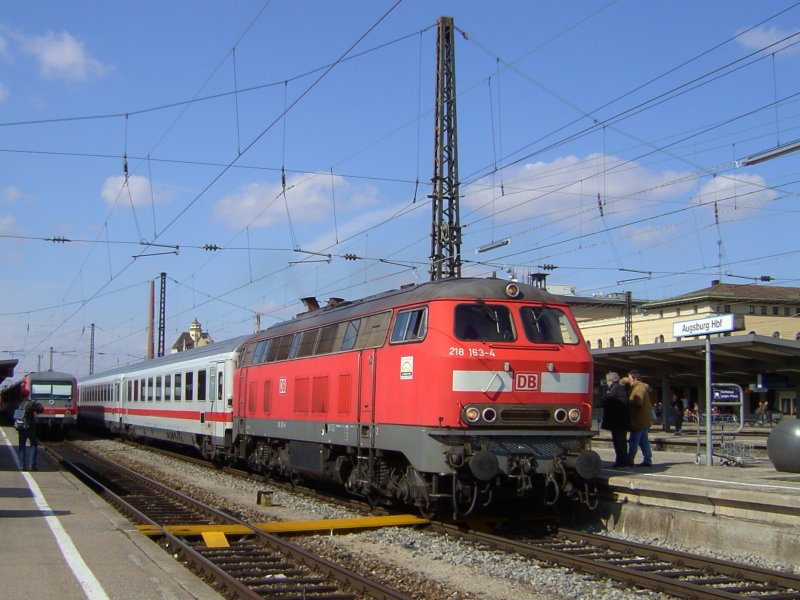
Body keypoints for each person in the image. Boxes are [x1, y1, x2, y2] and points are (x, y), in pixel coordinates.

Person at [600, 372, 631, 468]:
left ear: (611, 380)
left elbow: (608, 401)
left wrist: (605, 399)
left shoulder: (617, 388)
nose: (607, 383)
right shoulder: (616, 388)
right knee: (618, 442)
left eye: (608, 380)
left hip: (619, 421)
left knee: (620, 442)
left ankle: (623, 462)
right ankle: (620, 461)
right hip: (617, 421)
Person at [626, 369, 653, 467]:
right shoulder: (640, 386)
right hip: (644, 420)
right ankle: (647, 459)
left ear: (635, 378)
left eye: (630, 379)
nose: (629, 381)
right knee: (643, 440)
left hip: (639, 420)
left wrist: (628, 401)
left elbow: (638, 402)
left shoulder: (639, 388)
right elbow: (625, 380)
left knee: (634, 441)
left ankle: (630, 459)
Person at [17, 396, 44, 471]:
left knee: (22, 446)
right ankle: (32, 465)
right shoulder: (31, 404)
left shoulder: (21, 404)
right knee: (34, 444)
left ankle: (22, 466)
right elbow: (41, 409)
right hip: (30, 428)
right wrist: (37, 403)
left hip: (21, 427)